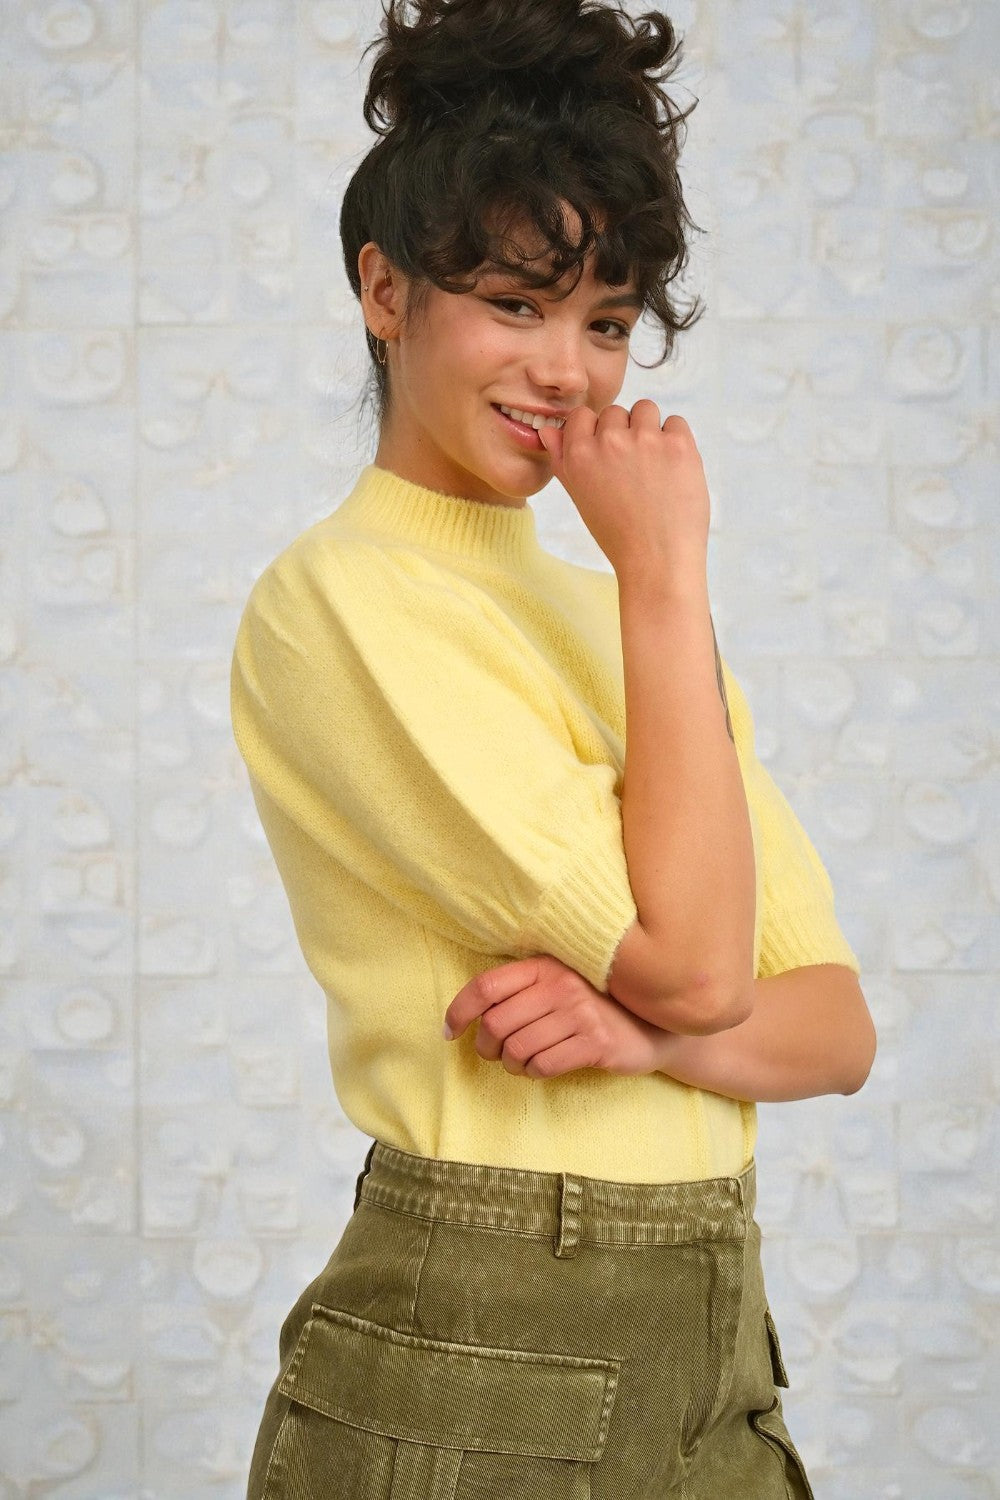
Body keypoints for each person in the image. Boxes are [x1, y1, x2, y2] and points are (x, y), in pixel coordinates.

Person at [230, 1, 877, 1495]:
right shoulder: (342, 603)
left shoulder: (623, 616)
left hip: (714, 1350)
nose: (571, 371)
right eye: (515, 305)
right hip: (483, 1346)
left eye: (604, 319)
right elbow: (718, 967)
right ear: (385, 292)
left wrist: (650, 1038)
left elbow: (835, 1029)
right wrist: (666, 575)